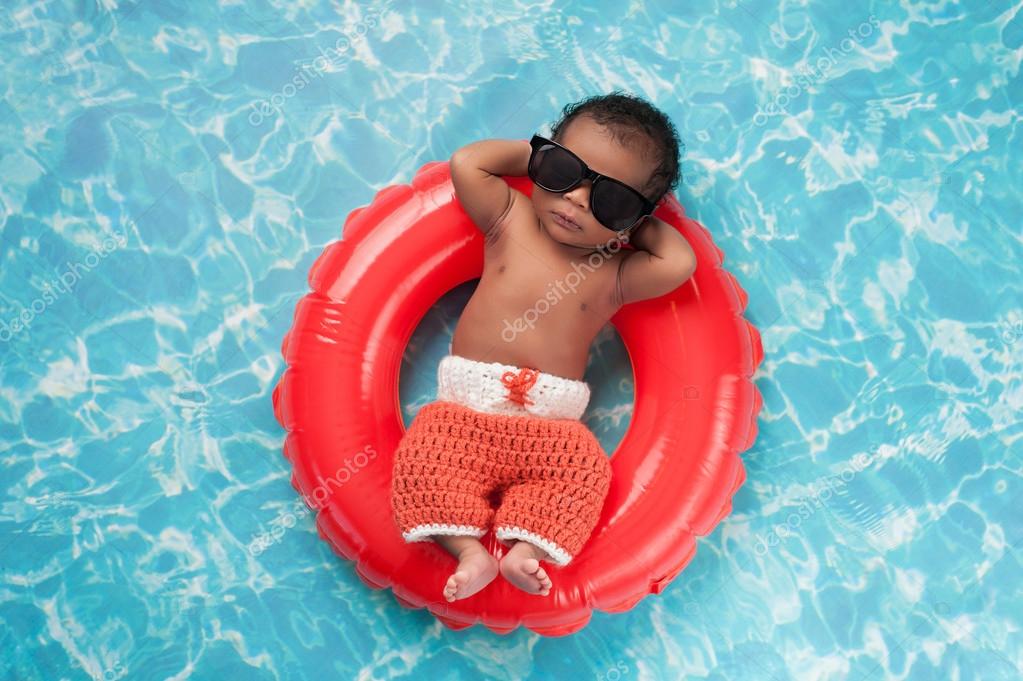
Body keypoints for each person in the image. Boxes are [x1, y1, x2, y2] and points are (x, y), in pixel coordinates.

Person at [391, 91, 696, 602]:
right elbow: (470, 162)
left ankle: (523, 552)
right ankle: (470, 551)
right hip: (462, 413)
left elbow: (678, 262)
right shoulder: (508, 220)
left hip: (551, 429)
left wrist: (633, 222)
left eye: (610, 199)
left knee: (585, 474)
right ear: (543, 160)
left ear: (631, 219)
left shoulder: (612, 272)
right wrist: (537, 158)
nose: (577, 199)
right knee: (421, 461)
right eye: (564, 171)